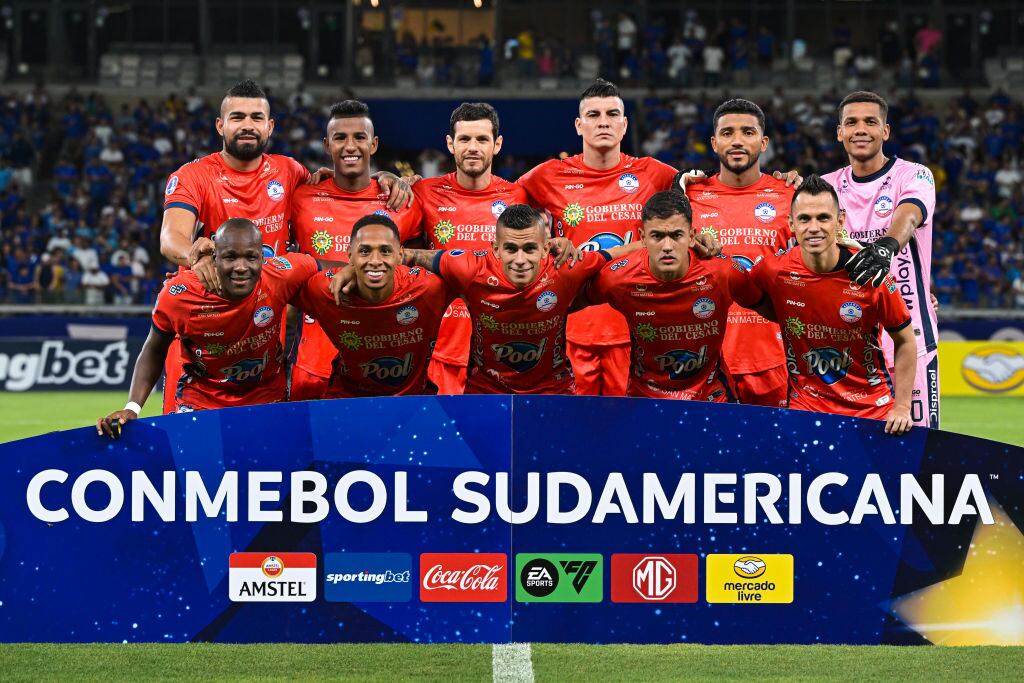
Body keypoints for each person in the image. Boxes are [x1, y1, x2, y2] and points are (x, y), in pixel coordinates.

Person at [332, 205, 613, 395]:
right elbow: (411, 256)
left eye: (530, 248)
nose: (520, 260)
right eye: (511, 249)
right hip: (485, 393)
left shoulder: (567, 267)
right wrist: (356, 266)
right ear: (495, 249)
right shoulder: (471, 269)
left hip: (553, 392)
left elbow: (623, 253)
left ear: (545, 249)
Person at [516, 79, 679, 397]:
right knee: (576, 430)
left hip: (638, 330)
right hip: (571, 327)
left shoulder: (654, 173)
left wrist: (784, 182)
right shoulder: (548, 175)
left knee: (629, 430)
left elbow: (709, 193)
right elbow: (498, 202)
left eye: (612, 114)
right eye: (593, 115)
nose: (603, 121)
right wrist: (545, 243)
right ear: (579, 125)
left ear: (624, 124)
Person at [97, 219, 320, 436]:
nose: (241, 267)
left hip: (267, 397)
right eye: (230, 257)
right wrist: (132, 408)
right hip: (202, 401)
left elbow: (327, 269)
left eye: (251, 257)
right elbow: (154, 349)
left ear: (263, 258)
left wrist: (349, 271)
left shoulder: (282, 274)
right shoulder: (179, 295)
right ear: (215, 258)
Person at [735, 176, 916, 434]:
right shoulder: (774, 271)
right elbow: (739, 287)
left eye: (823, 218)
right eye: (805, 219)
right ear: (791, 224)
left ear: (840, 221)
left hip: (871, 411)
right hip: (806, 411)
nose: (814, 227)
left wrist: (902, 406)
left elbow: (906, 340)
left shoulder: (871, 274)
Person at [289, 99, 425, 401]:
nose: (351, 146)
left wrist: (392, 178)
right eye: (340, 138)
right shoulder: (301, 199)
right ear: (327, 145)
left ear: (374, 144)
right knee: (314, 450)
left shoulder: (404, 203)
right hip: (314, 368)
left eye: (359, 137)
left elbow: (420, 274)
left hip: (383, 371)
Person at [580, 191, 772, 399]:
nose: (667, 247)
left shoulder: (723, 273)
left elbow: (771, 309)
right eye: (657, 236)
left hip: (712, 396)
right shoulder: (617, 278)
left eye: (676, 235)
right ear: (643, 238)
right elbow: (565, 303)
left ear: (691, 236)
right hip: (645, 398)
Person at [822, 91, 938, 428]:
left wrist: (886, 247)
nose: (861, 129)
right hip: (848, 343)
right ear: (839, 132)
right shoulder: (826, 188)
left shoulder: (914, 175)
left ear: (885, 131)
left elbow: (911, 213)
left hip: (911, 337)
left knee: (918, 451)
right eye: (851, 122)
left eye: (871, 122)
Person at [680, 99, 795, 408]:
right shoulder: (687, 197)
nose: (738, 141)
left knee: (778, 456)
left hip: (776, 361)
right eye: (728, 133)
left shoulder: (791, 196)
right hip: (708, 364)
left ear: (764, 142)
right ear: (715, 143)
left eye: (748, 132)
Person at [412, 102, 528, 394]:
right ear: (450, 144)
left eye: (482, 139)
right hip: (443, 346)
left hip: (502, 347)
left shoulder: (518, 195)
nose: (473, 147)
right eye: (464, 139)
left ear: (497, 144)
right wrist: (386, 179)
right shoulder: (424, 192)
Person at [295, 214, 454, 397]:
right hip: (348, 399)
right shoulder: (325, 289)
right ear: (349, 256)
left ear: (400, 255)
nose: (375, 261)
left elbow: (471, 269)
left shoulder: (428, 288)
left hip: (412, 401)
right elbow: (277, 286)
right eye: (364, 251)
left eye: (385, 251)